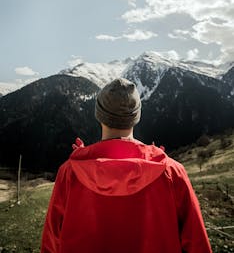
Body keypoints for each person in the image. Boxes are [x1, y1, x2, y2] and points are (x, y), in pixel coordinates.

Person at [41, 78, 212, 253]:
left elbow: (51, 241)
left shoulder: (69, 172)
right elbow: (197, 244)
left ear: (99, 116)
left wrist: (85, 156)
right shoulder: (172, 172)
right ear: (136, 117)